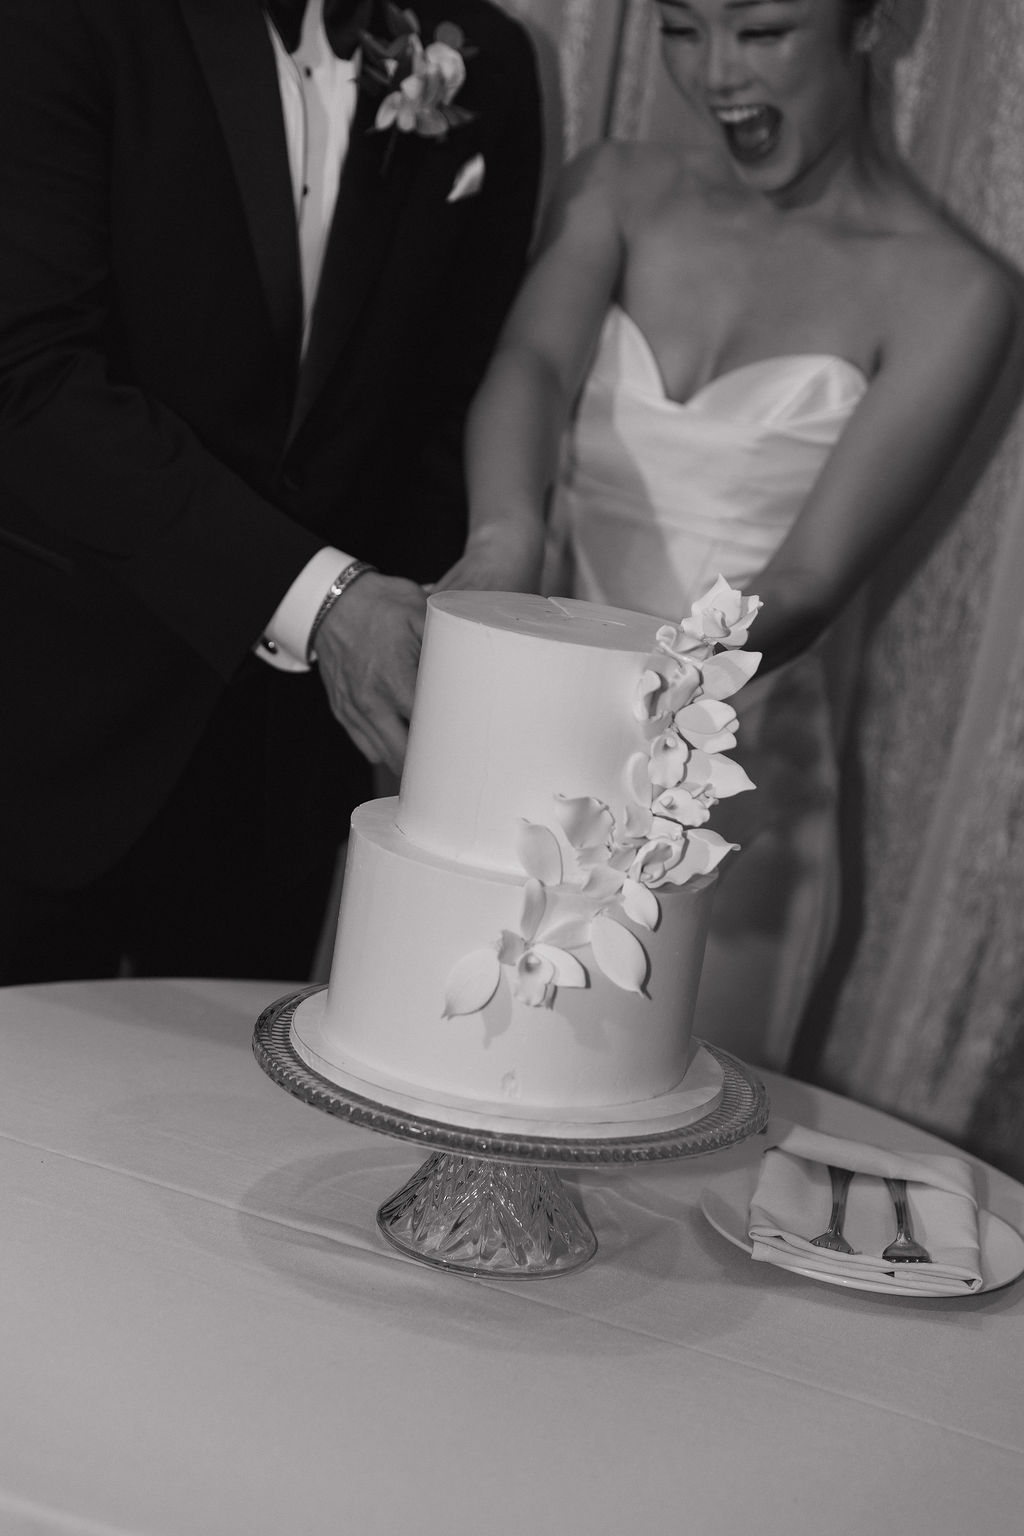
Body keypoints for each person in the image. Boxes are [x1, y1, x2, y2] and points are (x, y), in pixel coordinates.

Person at [438, 0, 1014, 1068]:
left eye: (760, 32)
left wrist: (652, 702)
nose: (712, 74)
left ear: (874, 25)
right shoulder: (617, 187)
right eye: (680, 27)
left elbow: (809, 576)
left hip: (719, 802)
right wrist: (499, 557)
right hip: (513, 734)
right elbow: (532, 368)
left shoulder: (954, 290)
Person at [0, 0, 541, 985]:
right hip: (42, 721)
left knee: (227, 1132)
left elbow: (438, 405)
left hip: (286, 766)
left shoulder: (485, 60)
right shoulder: (61, 22)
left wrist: (416, 654)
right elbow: (28, 378)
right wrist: (324, 603)